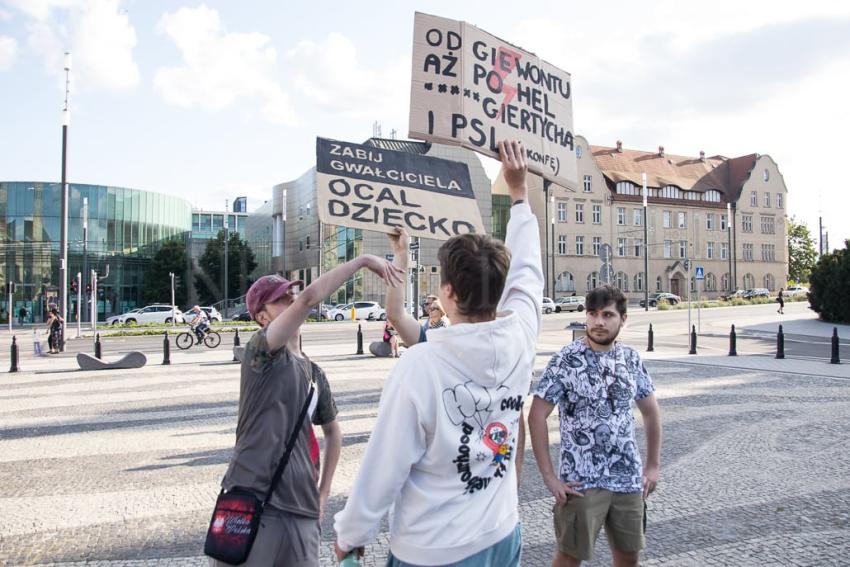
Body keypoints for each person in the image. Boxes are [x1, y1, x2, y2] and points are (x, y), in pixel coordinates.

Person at [334, 140, 542, 566]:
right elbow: (528, 272)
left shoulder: (420, 366)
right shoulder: (521, 337)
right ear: (500, 291)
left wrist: (351, 533)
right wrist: (519, 194)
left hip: (434, 550)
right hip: (501, 534)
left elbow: (383, 466)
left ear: (448, 292)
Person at [212, 255, 403, 567]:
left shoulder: (314, 372)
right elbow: (309, 299)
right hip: (255, 500)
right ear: (262, 317)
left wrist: (324, 491)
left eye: (292, 294)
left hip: (302, 507)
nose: (293, 300)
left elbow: (333, 431)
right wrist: (362, 262)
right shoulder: (260, 352)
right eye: (281, 299)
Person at [528, 284, 662, 567]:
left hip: (627, 478)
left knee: (629, 558)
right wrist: (550, 477)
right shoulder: (566, 359)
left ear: (623, 319)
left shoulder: (631, 359)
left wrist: (652, 466)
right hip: (580, 481)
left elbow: (651, 412)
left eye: (608, 315)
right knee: (568, 558)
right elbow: (537, 415)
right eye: (593, 314)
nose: (599, 322)